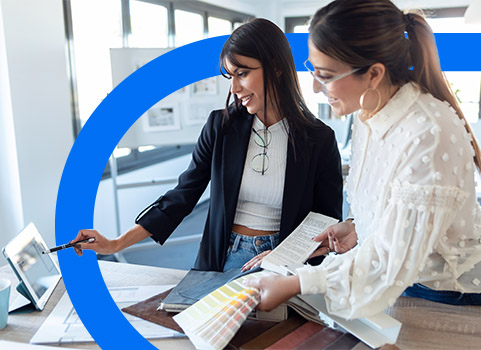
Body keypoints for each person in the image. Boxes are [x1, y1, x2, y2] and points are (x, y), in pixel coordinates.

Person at [247, 0, 481, 318]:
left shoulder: (427, 130)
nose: (315, 88)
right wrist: (357, 226)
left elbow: (391, 262)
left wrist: (296, 283)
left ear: (373, 74)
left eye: (326, 75)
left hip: (448, 297)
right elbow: (390, 212)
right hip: (406, 284)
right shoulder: (368, 112)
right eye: (312, 70)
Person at [72, 18, 343, 272]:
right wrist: (116, 244)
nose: (234, 87)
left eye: (243, 73)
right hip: (223, 255)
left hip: (285, 263)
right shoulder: (220, 127)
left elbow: (326, 222)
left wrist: (284, 257)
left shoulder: (319, 139)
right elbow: (183, 195)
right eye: (230, 76)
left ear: (276, 67)